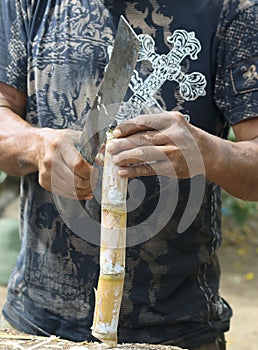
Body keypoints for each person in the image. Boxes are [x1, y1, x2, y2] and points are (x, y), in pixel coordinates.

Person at [0, 1, 258, 349]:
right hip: (39, 327)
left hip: (180, 331)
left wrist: (213, 153)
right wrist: (34, 145)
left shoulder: (232, 8)